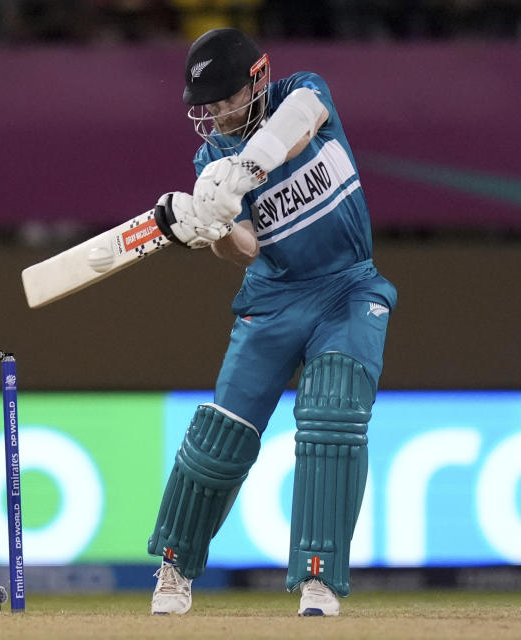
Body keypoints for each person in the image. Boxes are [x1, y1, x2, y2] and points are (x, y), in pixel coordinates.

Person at [146, 28, 396, 617]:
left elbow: (302, 121)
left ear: (258, 79)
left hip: (348, 287)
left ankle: (319, 578)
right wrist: (209, 230)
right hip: (276, 297)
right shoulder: (212, 159)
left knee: (333, 414)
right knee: (222, 437)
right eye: (203, 104)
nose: (212, 113)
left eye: (224, 97)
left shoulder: (303, 91)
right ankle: (175, 569)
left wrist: (247, 169)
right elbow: (247, 248)